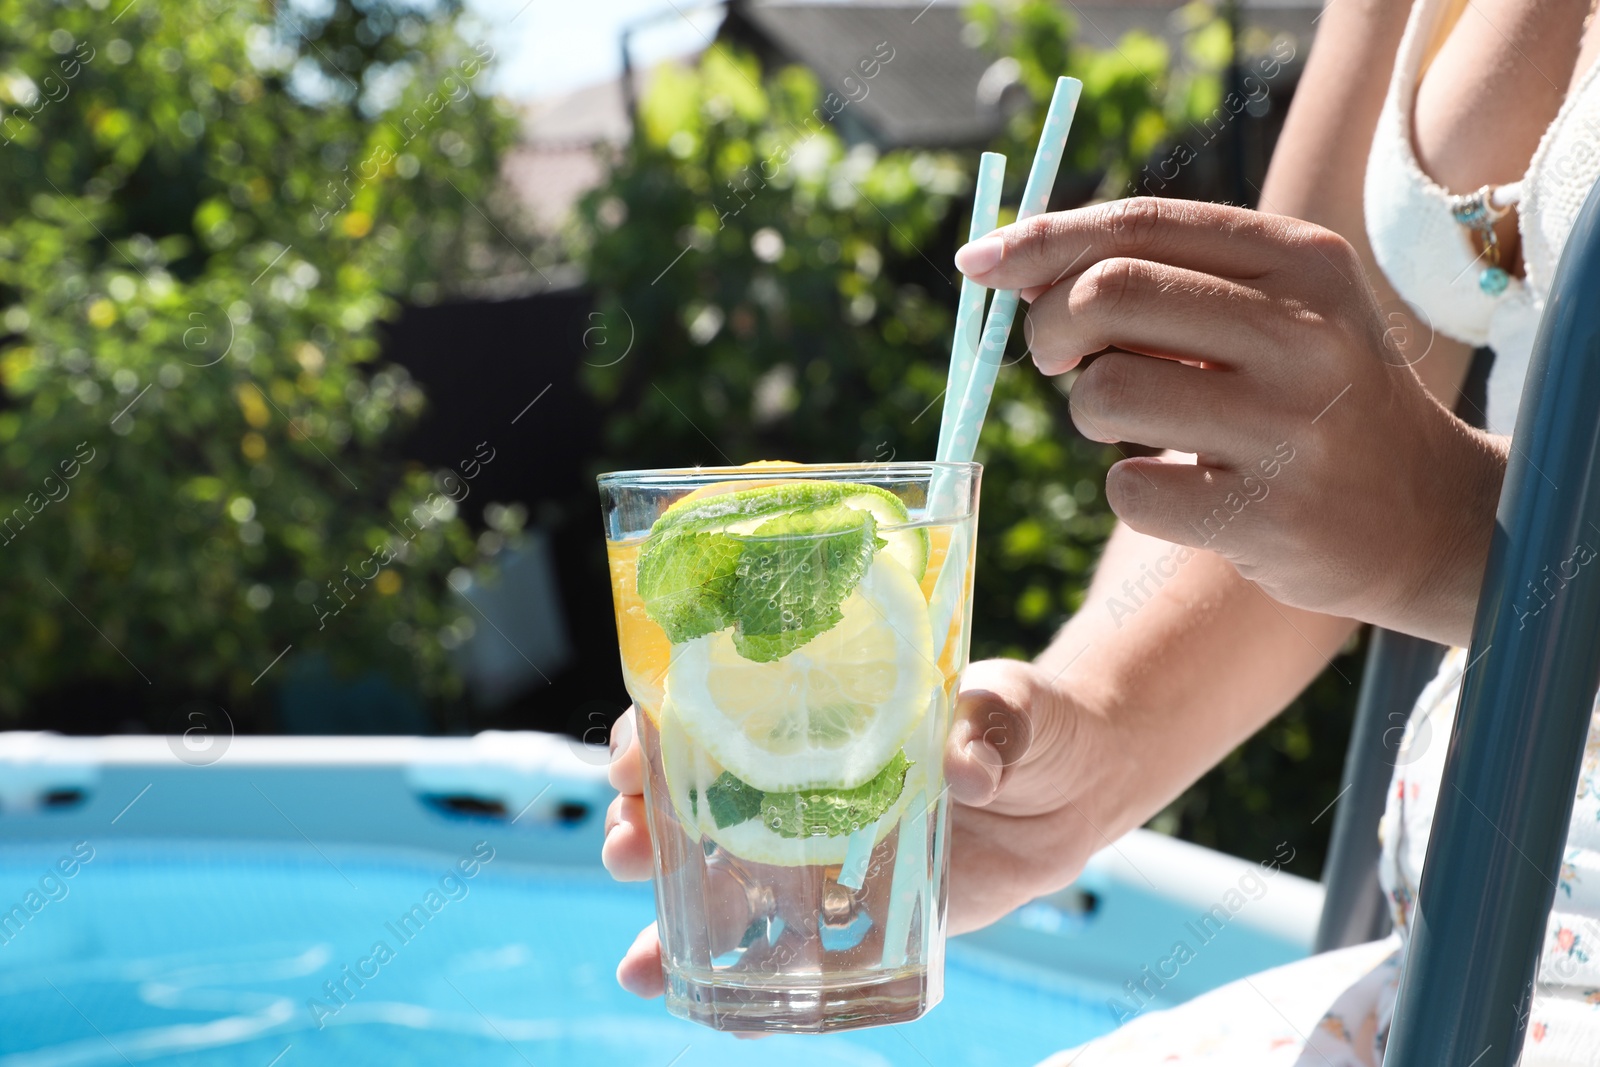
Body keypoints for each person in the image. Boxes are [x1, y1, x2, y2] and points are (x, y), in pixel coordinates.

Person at [602, 0, 1600, 1060]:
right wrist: (1087, 736)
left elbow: (1400, 501)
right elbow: (1295, 474)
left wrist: (1456, 533)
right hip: (1458, 946)